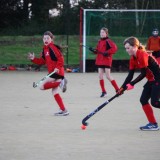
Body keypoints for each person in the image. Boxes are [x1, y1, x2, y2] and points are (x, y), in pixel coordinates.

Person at [117, 36, 160, 131]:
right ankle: (153, 124)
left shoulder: (142, 54)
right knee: (143, 100)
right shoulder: (133, 58)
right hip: (152, 80)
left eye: (128, 48)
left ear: (135, 46)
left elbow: (143, 73)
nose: (126, 50)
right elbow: (130, 76)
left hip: (158, 79)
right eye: (126, 48)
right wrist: (121, 88)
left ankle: (153, 124)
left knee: (155, 102)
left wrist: (132, 84)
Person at [28, 31, 69, 116]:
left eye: (48, 38)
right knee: (54, 92)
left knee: (41, 86)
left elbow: (61, 58)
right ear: (42, 39)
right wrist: (33, 59)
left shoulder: (52, 47)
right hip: (53, 73)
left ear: (51, 39)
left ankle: (60, 82)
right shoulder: (45, 49)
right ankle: (64, 110)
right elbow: (42, 61)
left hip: (57, 72)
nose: (46, 40)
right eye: (44, 38)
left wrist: (57, 67)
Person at [89, 27, 119, 97]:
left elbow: (114, 48)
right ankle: (103, 91)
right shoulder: (99, 41)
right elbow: (97, 51)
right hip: (100, 60)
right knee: (100, 76)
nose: (101, 34)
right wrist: (93, 50)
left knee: (108, 76)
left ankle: (118, 89)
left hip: (107, 60)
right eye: (101, 32)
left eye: (103, 32)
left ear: (106, 33)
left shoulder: (108, 41)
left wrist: (107, 52)